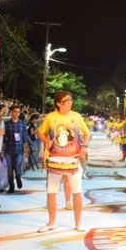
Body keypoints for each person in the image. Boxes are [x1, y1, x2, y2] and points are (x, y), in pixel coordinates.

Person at [37, 91, 91, 233]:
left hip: (73, 159)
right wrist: (46, 140)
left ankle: (78, 223)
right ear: (59, 103)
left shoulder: (76, 116)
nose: (70, 102)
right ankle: (51, 222)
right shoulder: (50, 117)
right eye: (67, 100)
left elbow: (87, 133)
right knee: (51, 192)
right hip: (55, 159)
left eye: (71, 100)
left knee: (77, 192)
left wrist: (84, 147)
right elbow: (40, 132)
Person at [2, 105, 31, 193]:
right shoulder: (6, 124)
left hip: (19, 149)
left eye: (18, 112)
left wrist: (26, 150)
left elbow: (25, 137)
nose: (17, 113)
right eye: (15, 111)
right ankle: (11, 186)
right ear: (11, 112)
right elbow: (3, 138)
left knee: (17, 166)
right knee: (9, 169)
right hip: (8, 149)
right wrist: (2, 150)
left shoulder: (22, 123)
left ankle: (18, 177)